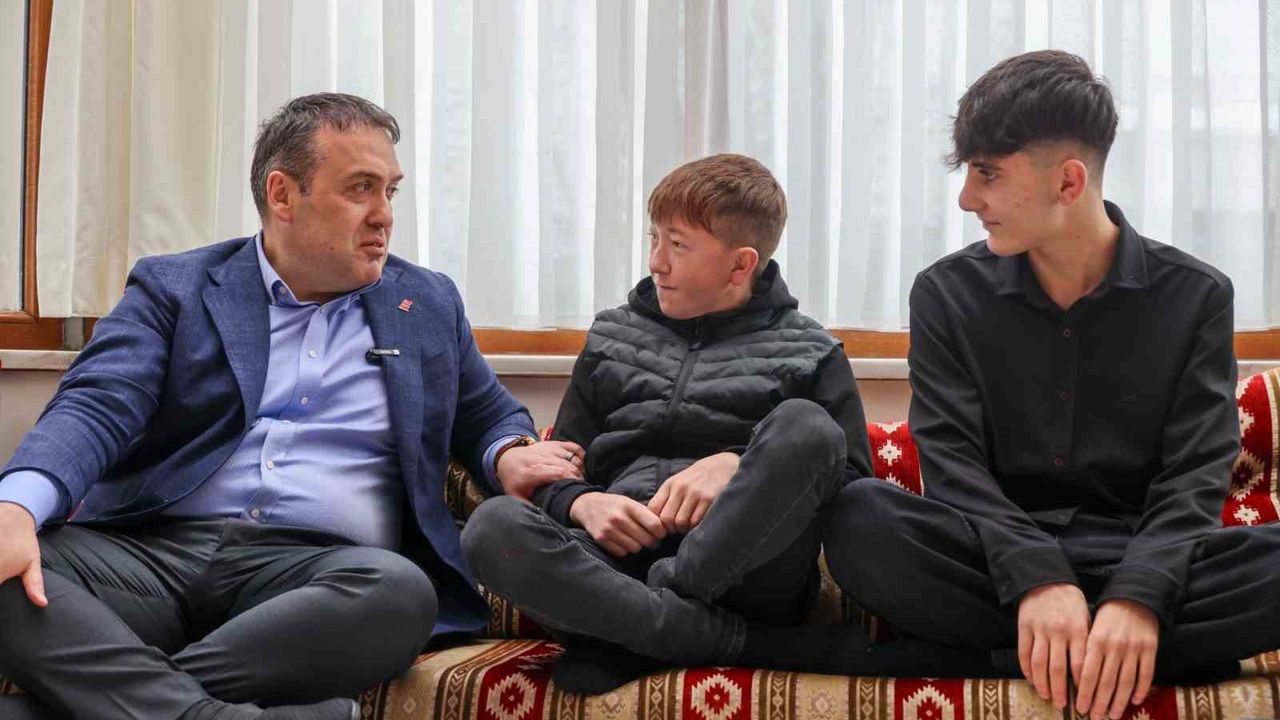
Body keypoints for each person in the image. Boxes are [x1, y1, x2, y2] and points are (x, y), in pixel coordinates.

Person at [0, 93, 581, 720]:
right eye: (360, 189)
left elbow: (487, 413)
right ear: (282, 194)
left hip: (320, 576)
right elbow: (98, 403)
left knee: (399, 593)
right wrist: (15, 507)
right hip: (150, 559)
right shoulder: (177, 287)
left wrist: (509, 452)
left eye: (390, 191)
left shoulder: (425, 304)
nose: (384, 216)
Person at [824, 50, 1280, 720]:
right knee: (861, 520)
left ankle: (1028, 651)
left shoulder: (1198, 296)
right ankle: (1143, 657)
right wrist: (1038, 578)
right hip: (992, 559)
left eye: (987, 173)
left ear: (1069, 182)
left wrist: (1139, 595)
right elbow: (952, 466)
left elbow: (1194, 474)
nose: (967, 199)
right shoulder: (945, 294)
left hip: (1145, 556)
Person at [462, 153, 878, 694]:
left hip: (749, 575)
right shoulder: (611, 336)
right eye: (654, 237)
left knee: (808, 425)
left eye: (677, 245)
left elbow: (851, 484)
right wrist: (582, 503)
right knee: (492, 527)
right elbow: (557, 463)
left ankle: (632, 631)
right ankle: (725, 641)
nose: (656, 262)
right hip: (613, 567)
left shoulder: (812, 350)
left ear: (740, 265)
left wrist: (736, 465)